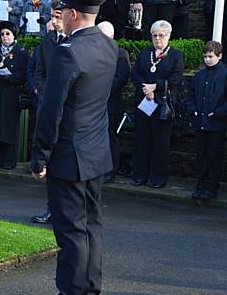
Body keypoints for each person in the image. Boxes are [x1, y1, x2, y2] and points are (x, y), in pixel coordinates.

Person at [30, 0, 116, 295]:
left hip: (69, 156)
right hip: (96, 153)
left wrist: (39, 158)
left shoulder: (68, 53)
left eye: (62, 12)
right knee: (91, 227)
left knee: (70, 232)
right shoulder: (108, 47)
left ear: (73, 14)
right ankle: (88, 293)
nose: (59, 18)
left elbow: (51, 112)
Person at [131, 20, 184, 188]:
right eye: (154, 35)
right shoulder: (146, 53)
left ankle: (158, 178)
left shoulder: (176, 55)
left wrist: (156, 86)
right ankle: (140, 175)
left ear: (168, 36)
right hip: (145, 102)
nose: (158, 39)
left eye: (161, 35)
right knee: (141, 140)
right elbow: (136, 72)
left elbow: (176, 79)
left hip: (162, 105)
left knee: (160, 143)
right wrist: (146, 89)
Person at [30, 0, 65, 224]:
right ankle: (51, 208)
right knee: (50, 158)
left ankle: (64, 210)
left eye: (58, 17)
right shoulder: (48, 40)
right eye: (52, 17)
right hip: (48, 104)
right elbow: (39, 70)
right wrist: (45, 94)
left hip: (68, 108)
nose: (53, 22)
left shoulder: (75, 41)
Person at [0, 21, 28, 169]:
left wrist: (10, 78)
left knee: (9, 127)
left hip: (12, 94)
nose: (5, 36)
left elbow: (24, 74)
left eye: (8, 34)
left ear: (14, 35)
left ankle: (9, 160)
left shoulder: (22, 53)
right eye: (2, 34)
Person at [188, 41, 227, 201]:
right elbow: (191, 96)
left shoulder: (224, 74)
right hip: (201, 122)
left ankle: (211, 188)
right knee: (201, 156)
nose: (207, 59)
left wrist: (217, 113)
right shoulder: (199, 75)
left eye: (210, 56)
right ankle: (201, 185)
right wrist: (193, 110)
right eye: (205, 56)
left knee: (214, 156)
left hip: (216, 124)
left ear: (219, 56)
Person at [97, 21, 131, 183]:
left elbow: (121, 78)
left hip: (110, 103)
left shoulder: (120, 54)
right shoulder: (94, 52)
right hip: (94, 104)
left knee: (110, 137)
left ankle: (110, 171)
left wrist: (99, 90)